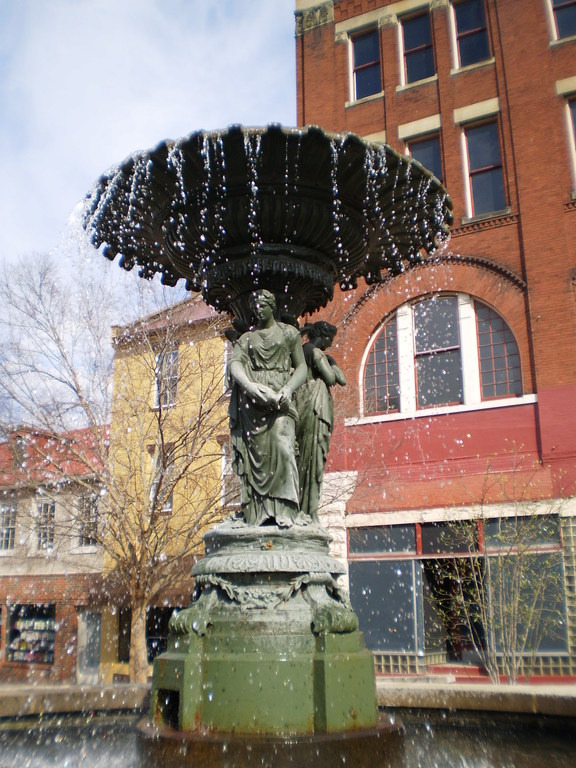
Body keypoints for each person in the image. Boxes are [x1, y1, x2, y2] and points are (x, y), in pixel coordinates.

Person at [227, 290, 307, 527]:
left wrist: (288, 389)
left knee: (284, 446)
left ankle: (286, 510)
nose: (258, 310)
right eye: (254, 307)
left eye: (262, 305)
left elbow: (301, 367)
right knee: (257, 458)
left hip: (281, 398)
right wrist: (250, 387)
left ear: (273, 306)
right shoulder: (247, 340)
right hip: (254, 405)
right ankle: (258, 513)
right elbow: (235, 365)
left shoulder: (288, 333)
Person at [296, 321, 346, 523]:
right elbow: (334, 379)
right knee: (314, 459)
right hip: (315, 409)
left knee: (303, 460)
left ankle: (301, 507)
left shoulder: (300, 351)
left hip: (303, 404)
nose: (330, 345)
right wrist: (332, 362)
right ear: (323, 337)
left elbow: (338, 379)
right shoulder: (316, 353)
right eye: (330, 340)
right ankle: (308, 511)